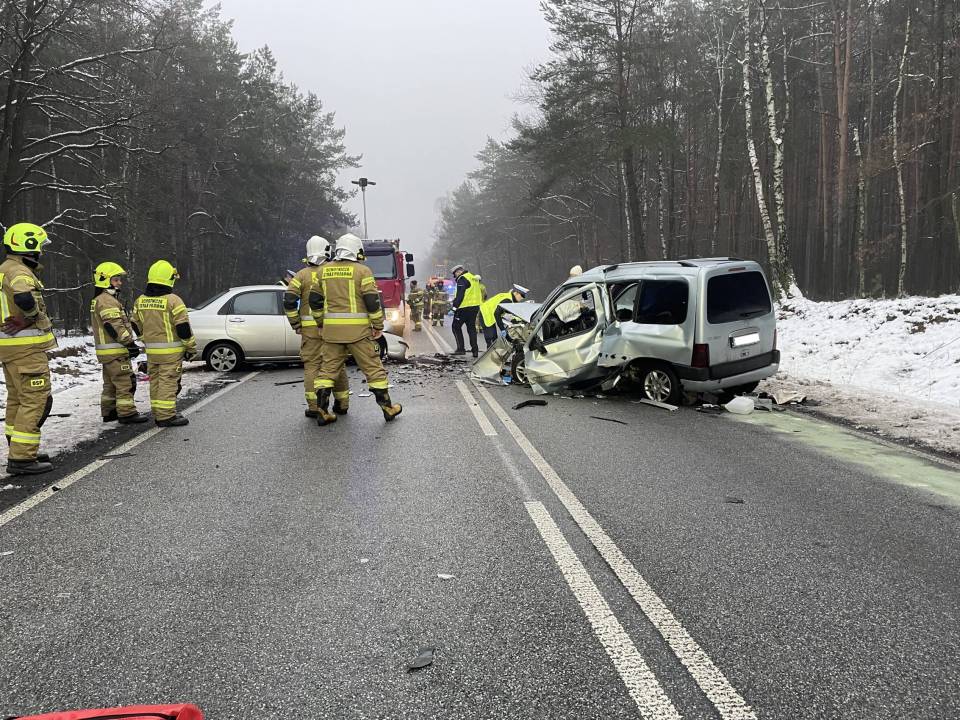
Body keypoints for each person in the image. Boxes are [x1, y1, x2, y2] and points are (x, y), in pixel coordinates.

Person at [310, 233, 402, 425]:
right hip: (358, 333)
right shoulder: (362, 271)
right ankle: (387, 408)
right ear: (356, 250)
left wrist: (320, 323)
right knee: (373, 369)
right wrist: (378, 325)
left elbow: (314, 301)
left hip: (331, 333)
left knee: (327, 370)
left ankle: (322, 411)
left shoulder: (322, 271)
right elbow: (372, 301)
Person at [0, 222, 56, 475]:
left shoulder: (4, 269)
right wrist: (31, 316)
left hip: (10, 349)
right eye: (40, 246)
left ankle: (19, 447)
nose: (41, 251)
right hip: (27, 349)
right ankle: (22, 457)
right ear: (29, 245)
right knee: (36, 399)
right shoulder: (19, 271)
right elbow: (24, 298)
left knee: (17, 399)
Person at [283, 236, 349, 418]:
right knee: (336, 365)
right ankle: (342, 403)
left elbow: (289, 300)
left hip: (310, 331)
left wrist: (296, 323)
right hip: (334, 329)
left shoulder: (301, 275)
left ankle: (314, 407)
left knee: (312, 366)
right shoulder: (334, 272)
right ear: (328, 250)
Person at [133, 260, 197, 427]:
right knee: (168, 382)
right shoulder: (174, 300)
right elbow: (183, 328)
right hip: (171, 354)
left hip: (152, 352)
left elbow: (135, 323)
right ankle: (166, 416)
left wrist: (144, 338)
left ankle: (158, 411)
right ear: (169, 279)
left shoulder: (140, 300)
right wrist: (190, 347)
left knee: (155, 382)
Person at [90, 262, 149, 425]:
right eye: (116, 280)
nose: (120, 283)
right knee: (125, 382)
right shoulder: (107, 301)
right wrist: (129, 343)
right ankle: (127, 413)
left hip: (107, 353)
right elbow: (114, 326)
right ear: (105, 280)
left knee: (110, 384)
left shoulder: (99, 299)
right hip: (116, 351)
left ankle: (109, 412)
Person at [449, 263, 482, 357]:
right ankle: (475, 350)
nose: (455, 276)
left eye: (455, 274)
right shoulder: (472, 277)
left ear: (459, 271)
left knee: (455, 327)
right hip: (474, 307)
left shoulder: (462, 279)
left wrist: (454, 307)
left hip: (463, 308)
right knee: (471, 328)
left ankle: (461, 349)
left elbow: (460, 294)